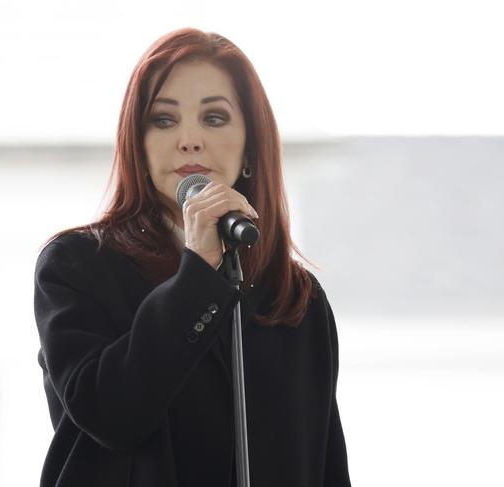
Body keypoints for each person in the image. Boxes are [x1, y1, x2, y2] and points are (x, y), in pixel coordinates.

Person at [33, 27, 351, 487]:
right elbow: (110, 414)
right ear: (137, 147)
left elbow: (325, 466)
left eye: (215, 118)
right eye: (164, 120)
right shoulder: (77, 266)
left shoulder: (296, 298)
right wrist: (198, 273)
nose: (189, 140)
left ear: (250, 146)